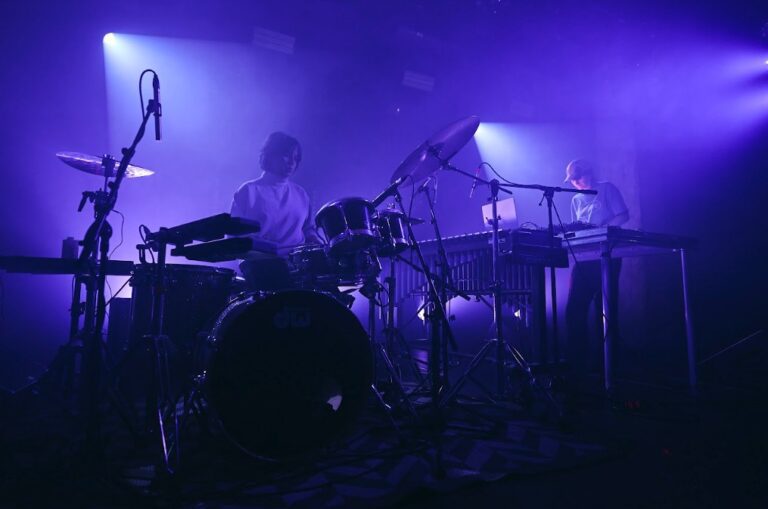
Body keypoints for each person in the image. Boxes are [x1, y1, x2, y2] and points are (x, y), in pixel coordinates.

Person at [563, 159, 629, 379]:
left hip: (608, 255)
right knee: (574, 310)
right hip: (584, 259)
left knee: (605, 309)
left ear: (589, 173)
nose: (575, 183)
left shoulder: (607, 188)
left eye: (578, 177)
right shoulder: (575, 199)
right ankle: (578, 362)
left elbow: (623, 214)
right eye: (572, 180)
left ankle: (606, 363)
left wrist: (603, 229)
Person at [230, 131, 321, 288]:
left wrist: (321, 246)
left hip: (297, 265)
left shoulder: (301, 194)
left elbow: (308, 229)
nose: (292, 162)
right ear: (270, 154)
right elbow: (233, 237)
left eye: (296, 158)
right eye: (286, 155)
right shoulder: (248, 190)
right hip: (259, 264)